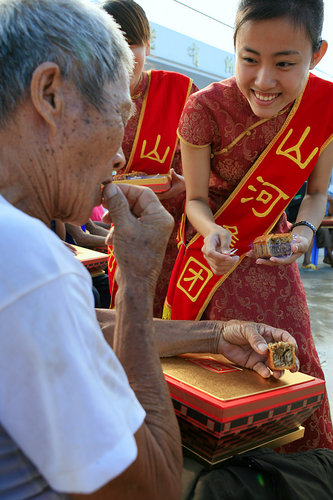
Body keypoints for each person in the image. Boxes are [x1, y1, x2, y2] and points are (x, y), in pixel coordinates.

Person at [0, 0, 304, 497]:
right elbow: (151, 487)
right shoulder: (28, 261)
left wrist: (214, 335)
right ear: (50, 95)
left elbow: (78, 322)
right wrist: (137, 286)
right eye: (120, 114)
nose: (122, 154)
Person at [164, 0, 333, 452]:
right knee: (217, 367)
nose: (263, 81)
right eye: (250, 59)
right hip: (212, 251)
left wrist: (304, 232)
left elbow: (316, 194)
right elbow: (196, 199)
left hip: (273, 253)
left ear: (316, 54)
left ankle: (298, 468)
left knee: (291, 357)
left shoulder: (323, 106)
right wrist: (211, 232)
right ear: (234, 47)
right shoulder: (203, 109)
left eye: (284, 64)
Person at [103, 0, 199, 317]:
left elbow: (211, 171)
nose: (122, 55)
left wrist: (189, 186)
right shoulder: (89, 101)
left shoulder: (181, 92)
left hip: (184, 234)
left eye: (131, 43)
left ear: (148, 44)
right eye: (110, 44)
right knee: (133, 327)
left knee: (182, 335)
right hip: (130, 231)